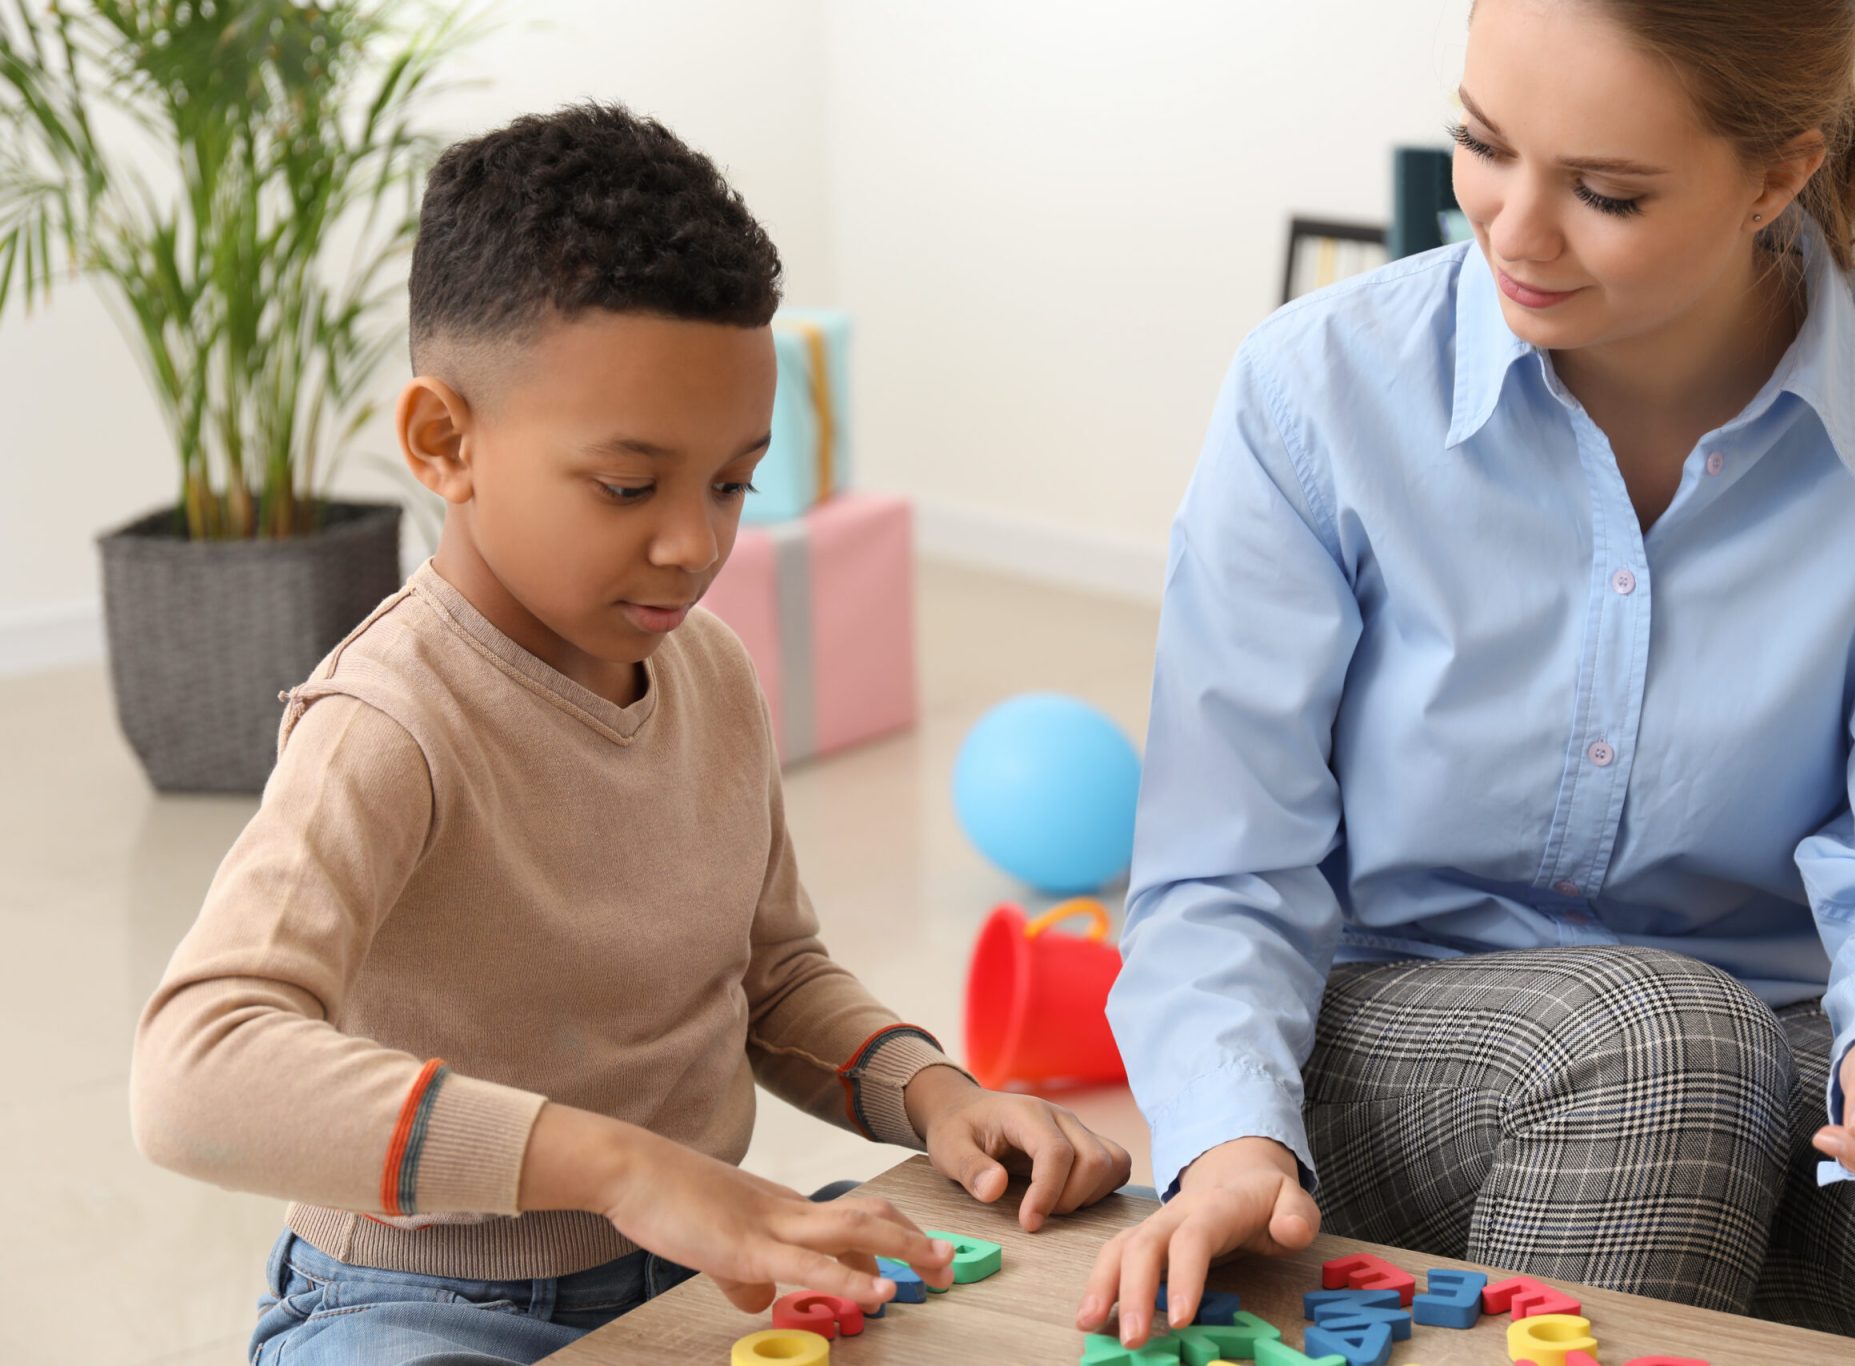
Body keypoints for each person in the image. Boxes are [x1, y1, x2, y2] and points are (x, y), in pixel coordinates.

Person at [1082, 2, 1855, 1361]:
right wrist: (1228, 1142)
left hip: (1782, 1046)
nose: (1513, 230)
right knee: (1661, 1043)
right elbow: (1225, 867)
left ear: (1779, 173)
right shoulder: (1317, 391)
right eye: (1482, 143)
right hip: (1394, 1040)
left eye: (1605, 191)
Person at [129, 103, 1130, 1366]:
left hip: (708, 1268)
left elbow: (770, 977)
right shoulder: (385, 723)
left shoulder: (703, 666)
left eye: (730, 482)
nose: (695, 545)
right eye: (627, 486)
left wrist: (935, 1094)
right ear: (447, 441)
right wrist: (616, 1166)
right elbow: (194, 1071)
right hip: (420, 1308)